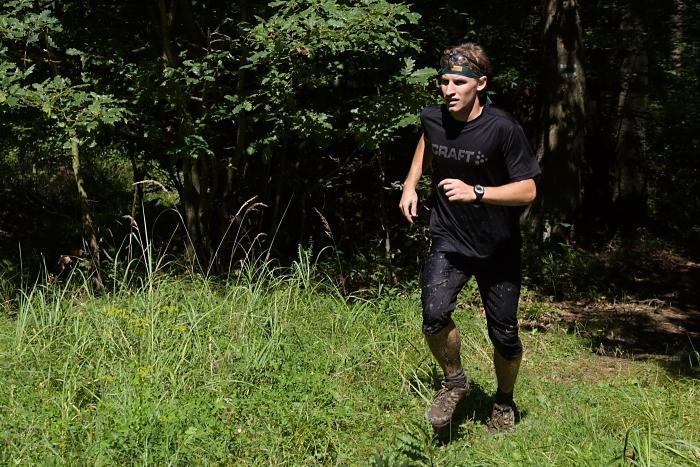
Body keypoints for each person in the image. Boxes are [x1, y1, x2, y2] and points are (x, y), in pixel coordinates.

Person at [398, 43, 541, 433]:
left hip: (498, 246)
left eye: (459, 82)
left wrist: (477, 192)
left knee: (504, 336)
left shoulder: (503, 128)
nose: (449, 90)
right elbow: (428, 142)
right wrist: (410, 184)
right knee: (434, 315)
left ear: (480, 83)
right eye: (444, 82)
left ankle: (504, 401)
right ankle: (455, 381)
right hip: (450, 237)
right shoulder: (434, 117)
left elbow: (528, 190)